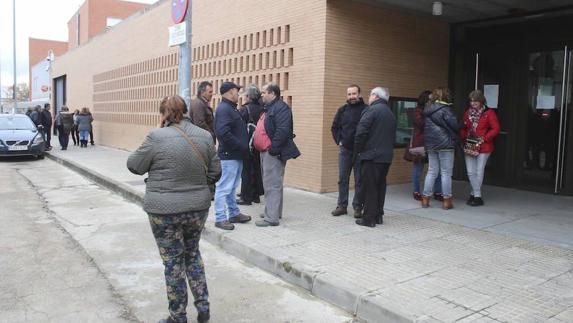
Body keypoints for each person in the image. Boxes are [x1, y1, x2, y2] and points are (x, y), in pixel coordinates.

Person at [127, 95, 220, 323]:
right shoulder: (205, 136)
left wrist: (155, 132)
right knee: (192, 254)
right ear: (186, 111)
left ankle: (178, 316)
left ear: (163, 114)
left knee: (173, 262)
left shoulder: (156, 136)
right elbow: (216, 172)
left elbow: (134, 165)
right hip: (197, 209)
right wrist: (200, 186)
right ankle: (204, 307)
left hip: (163, 211)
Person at [254, 83, 301, 227]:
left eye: (264, 92)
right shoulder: (270, 108)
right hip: (266, 151)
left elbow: (282, 130)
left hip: (272, 152)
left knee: (272, 184)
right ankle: (273, 211)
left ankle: (271, 218)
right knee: (272, 183)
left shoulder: (281, 108)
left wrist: (273, 149)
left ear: (273, 94)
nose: (261, 95)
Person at [354, 87, 396, 227]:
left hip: (372, 155)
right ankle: (378, 216)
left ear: (375, 96)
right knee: (380, 186)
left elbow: (361, 132)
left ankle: (368, 219)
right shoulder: (390, 113)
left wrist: (358, 150)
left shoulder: (372, 110)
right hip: (386, 156)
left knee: (370, 187)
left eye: (370, 94)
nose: (369, 97)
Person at [213, 81, 252, 230]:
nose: (238, 93)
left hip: (236, 155)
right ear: (230, 92)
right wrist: (241, 145)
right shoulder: (224, 109)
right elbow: (223, 133)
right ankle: (220, 218)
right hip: (230, 155)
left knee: (232, 187)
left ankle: (234, 213)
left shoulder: (230, 108)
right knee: (224, 187)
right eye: (237, 91)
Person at [421, 87, 462, 210]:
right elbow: (455, 125)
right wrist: (462, 123)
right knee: (446, 173)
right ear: (445, 96)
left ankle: (425, 199)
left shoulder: (427, 109)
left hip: (431, 144)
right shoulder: (446, 110)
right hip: (445, 144)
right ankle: (447, 201)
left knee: (432, 171)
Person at [330, 84, 368, 218]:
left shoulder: (366, 110)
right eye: (349, 94)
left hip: (360, 152)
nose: (352, 96)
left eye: (354, 94)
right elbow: (334, 127)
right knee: (342, 179)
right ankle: (342, 206)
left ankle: (358, 207)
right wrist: (339, 141)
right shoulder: (342, 110)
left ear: (359, 94)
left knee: (359, 181)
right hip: (345, 150)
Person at [460, 89, 500, 206]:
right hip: (470, 144)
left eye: (476, 101)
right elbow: (463, 127)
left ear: (481, 101)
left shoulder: (489, 113)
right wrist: (463, 138)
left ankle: (475, 195)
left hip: (484, 146)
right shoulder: (467, 113)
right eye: (471, 101)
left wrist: (485, 138)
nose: (473, 104)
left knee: (478, 171)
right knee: (470, 172)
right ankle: (476, 195)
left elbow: (496, 128)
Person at [403, 90, 443, 201]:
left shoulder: (433, 110)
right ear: (424, 100)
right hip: (420, 143)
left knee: (437, 169)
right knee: (418, 168)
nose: (432, 101)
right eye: (430, 99)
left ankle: (438, 191)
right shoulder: (418, 111)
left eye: (433, 99)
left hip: (433, 143)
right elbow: (421, 124)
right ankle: (416, 191)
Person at [237, 84, 264, 205]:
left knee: (246, 171)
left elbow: (239, 128)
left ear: (248, 96)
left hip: (247, 143)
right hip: (259, 143)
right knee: (257, 168)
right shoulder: (263, 108)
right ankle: (256, 195)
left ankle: (245, 197)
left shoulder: (244, 109)